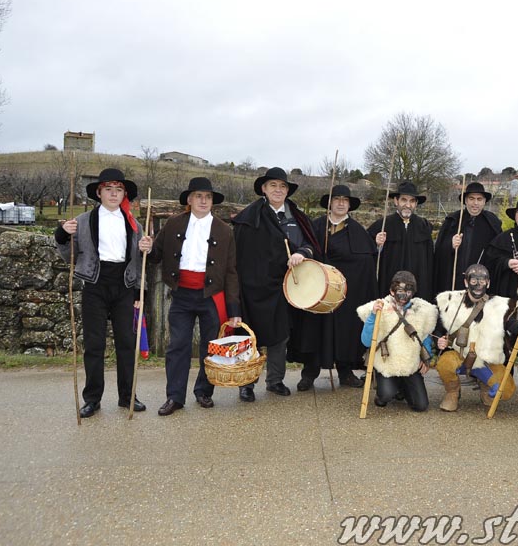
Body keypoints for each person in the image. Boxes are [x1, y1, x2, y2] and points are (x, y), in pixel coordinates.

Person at [138, 178, 242, 415]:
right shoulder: (174, 224)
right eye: (198, 196)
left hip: (211, 295)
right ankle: (175, 397)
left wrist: (234, 310)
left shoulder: (225, 231)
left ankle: (204, 392)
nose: (203, 201)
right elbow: (156, 256)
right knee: (178, 346)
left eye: (208, 197)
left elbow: (231, 272)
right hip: (182, 295)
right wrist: (147, 246)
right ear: (189, 199)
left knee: (210, 346)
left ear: (212, 201)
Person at [54, 167, 146, 417]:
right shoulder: (83, 221)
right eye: (109, 190)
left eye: (119, 190)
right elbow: (68, 256)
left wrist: (146, 252)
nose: (114, 194)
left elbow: (139, 262)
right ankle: (92, 399)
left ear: (124, 194)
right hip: (94, 284)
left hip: (124, 285)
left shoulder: (134, 224)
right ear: (99, 192)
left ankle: (127, 396)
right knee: (94, 345)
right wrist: (63, 235)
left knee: (127, 344)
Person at [232, 167, 319, 402]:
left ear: (288, 191)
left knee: (280, 335)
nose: (278, 190)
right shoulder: (248, 218)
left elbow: (311, 245)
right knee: (250, 336)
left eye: (282, 186)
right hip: (253, 287)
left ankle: (275, 381)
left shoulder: (296, 217)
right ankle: (247, 383)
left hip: (284, 287)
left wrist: (302, 252)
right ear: (263, 188)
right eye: (273, 185)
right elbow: (238, 255)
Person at [297, 185, 377, 390]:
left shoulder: (358, 231)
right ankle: (309, 373)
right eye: (337, 199)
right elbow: (306, 249)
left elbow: (366, 262)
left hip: (344, 293)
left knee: (344, 331)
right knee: (314, 329)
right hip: (316, 291)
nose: (341, 203)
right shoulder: (316, 226)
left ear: (349, 205)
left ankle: (345, 371)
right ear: (330, 203)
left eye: (345, 200)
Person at [434, 264, 518, 411]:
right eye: (474, 281)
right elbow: (439, 329)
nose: (478, 285)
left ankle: (485, 385)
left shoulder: (501, 306)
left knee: (506, 391)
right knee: (445, 364)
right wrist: (439, 340)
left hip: (486, 360)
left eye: (483, 281)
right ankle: (452, 392)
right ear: (466, 282)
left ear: (489, 282)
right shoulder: (450, 301)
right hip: (459, 355)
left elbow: (513, 326)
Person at [357, 271, 437, 412]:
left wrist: (426, 359)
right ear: (392, 291)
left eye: (408, 291)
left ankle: (402, 388)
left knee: (421, 406)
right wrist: (373, 317)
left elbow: (425, 336)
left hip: (409, 365)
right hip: (387, 363)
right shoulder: (380, 308)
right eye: (400, 291)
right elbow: (366, 342)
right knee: (386, 396)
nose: (404, 295)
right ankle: (385, 393)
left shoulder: (421, 310)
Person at [368, 181, 434, 301]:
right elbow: (368, 256)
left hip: (417, 289)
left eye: (412, 201)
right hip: (389, 287)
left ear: (416, 203)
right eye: (404, 200)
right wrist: (377, 245)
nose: (408, 205)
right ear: (396, 201)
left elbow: (430, 261)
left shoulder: (424, 226)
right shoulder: (382, 225)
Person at [433, 182, 501, 295]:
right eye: (471, 198)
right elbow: (439, 250)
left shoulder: (492, 223)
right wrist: (450, 245)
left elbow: (497, 255)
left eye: (479, 199)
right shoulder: (453, 221)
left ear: (484, 202)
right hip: (454, 280)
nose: (475, 203)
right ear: (465, 201)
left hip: (479, 282)